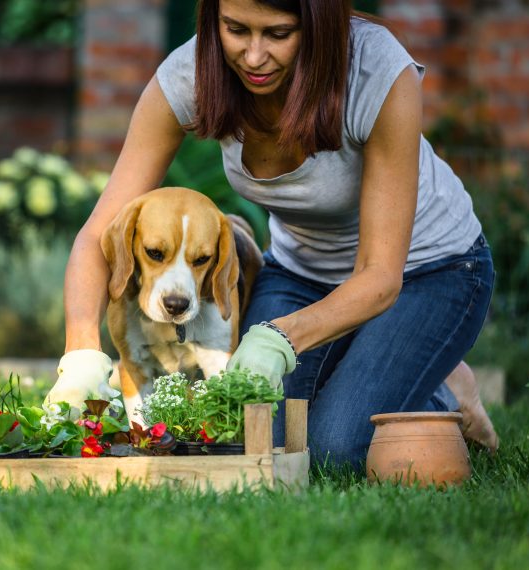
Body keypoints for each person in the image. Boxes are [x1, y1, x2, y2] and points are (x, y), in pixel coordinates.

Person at [45, 0, 499, 468]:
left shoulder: (378, 72)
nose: (254, 56)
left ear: (318, 26)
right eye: (236, 29)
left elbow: (381, 277)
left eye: (279, 34)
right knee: (258, 439)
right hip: (301, 273)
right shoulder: (192, 73)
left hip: (430, 271)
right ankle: (372, 360)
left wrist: (277, 339)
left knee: (331, 449)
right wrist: (81, 353)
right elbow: (98, 233)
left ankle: (440, 390)